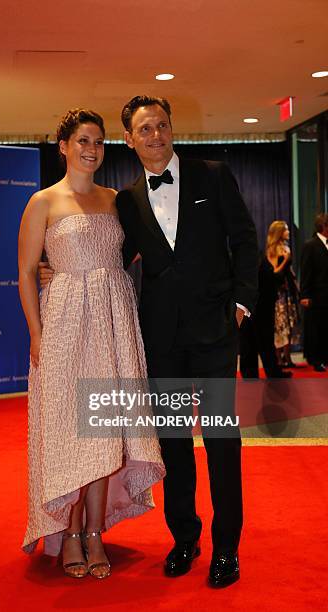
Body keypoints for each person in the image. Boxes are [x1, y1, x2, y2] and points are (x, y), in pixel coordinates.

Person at [40, 96, 258, 587]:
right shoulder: (127, 202)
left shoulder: (213, 175)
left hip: (216, 335)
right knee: (175, 446)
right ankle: (185, 539)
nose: (155, 135)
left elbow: (245, 240)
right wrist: (52, 265)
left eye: (162, 125)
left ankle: (227, 547)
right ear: (130, 139)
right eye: (144, 129)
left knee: (222, 442)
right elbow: (106, 255)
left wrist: (243, 302)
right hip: (161, 341)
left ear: (171, 129)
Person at [18, 108, 165, 580]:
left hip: (115, 322)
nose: (91, 149)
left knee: (105, 428)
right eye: (82, 140)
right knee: (71, 433)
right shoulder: (42, 202)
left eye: (99, 142)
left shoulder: (115, 199)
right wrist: (37, 335)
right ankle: (71, 532)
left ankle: (94, 534)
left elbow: (132, 252)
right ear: (63, 146)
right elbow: (24, 273)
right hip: (64, 326)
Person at [239, 253, 292, 378]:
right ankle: (270, 372)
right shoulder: (258, 260)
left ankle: (251, 373)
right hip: (260, 307)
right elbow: (269, 278)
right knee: (262, 341)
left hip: (250, 305)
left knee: (250, 341)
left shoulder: (247, 260)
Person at [266, 221, 299, 367]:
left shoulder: (285, 247)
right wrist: (285, 260)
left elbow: (289, 271)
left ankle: (288, 357)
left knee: (289, 324)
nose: (288, 232)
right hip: (278, 293)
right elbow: (274, 272)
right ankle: (279, 359)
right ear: (279, 232)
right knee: (280, 326)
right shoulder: (273, 249)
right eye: (286, 230)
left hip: (288, 292)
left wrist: (296, 285)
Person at [300, 212, 328, 372]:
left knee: (325, 328)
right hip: (316, 295)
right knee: (316, 328)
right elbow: (306, 272)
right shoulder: (310, 245)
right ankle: (316, 359)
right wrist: (304, 295)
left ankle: (325, 357)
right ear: (324, 227)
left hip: (326, 296)